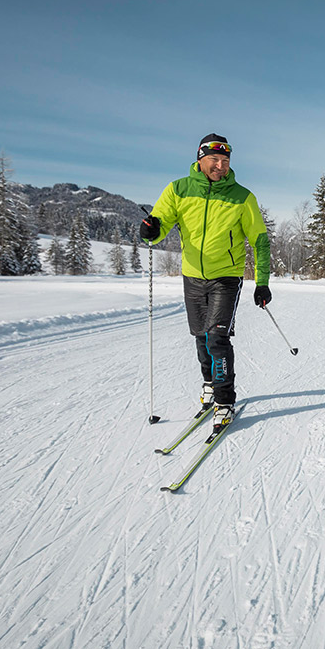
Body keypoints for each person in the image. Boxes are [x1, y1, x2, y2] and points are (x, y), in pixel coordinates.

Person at [139, 133, 271, 433]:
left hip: (227, 276)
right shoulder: (178, 190)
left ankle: (225, 401)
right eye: (214, 160)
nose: (220, 166)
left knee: (217, 339)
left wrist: (261, 282)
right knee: (200, 335)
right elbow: (159, 225)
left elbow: (260, 242)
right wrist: (150, 229)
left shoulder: (242, 197)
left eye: (225, 161)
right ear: (200, 159)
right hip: (192, 276)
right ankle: (210, 383)